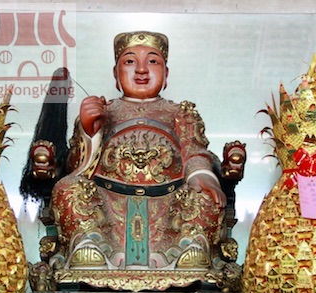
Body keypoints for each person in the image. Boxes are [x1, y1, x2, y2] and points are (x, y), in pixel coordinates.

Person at [51, 31, 226, 271]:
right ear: (116, 74)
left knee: (206, 195)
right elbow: (76, 168)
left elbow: (194, 151)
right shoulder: (105, 110)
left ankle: (190, 246)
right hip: (107, 202)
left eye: (152, 61)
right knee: (65, 188)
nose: (142, 70)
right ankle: (89, 243)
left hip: (170, 204)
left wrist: (202, 176)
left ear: (166, 74)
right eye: (130, 62)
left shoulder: (180, 113)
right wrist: (89, 131)